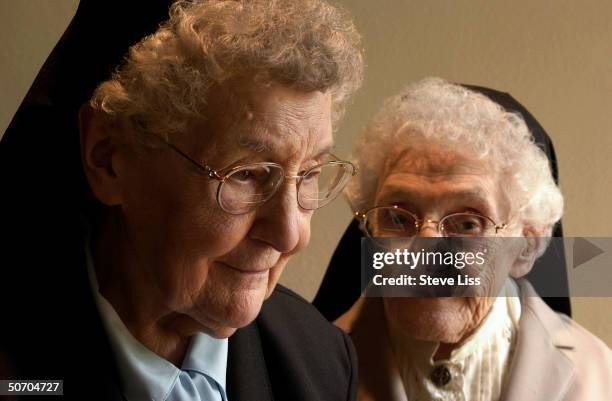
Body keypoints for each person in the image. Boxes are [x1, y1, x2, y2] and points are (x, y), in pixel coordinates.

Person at [0, 1, 363, 400]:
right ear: (108, 158)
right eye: (246, 174)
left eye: (309, 174)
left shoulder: (323, 361)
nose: (290, 234)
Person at [336, 78, 612, 401]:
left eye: (467, 223)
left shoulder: (600, 377)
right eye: (398, 218)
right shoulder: (311, 362)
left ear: (526, 246)